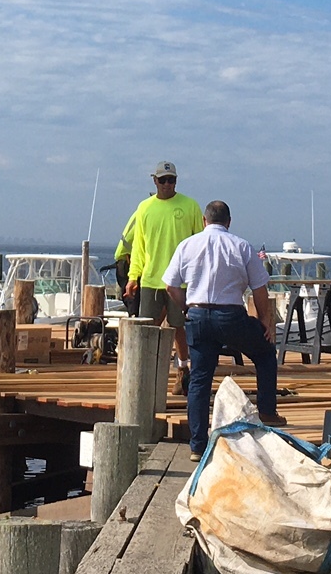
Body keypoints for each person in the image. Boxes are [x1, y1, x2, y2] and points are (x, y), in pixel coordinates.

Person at [162, 200, 281, 453]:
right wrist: (265, 322)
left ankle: (197, 445)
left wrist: (186, 307)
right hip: (231, 316)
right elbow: (260, 290)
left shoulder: (188, 245)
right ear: (229, 222)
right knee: (265, 353)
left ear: (204, 221)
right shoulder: (242, 246)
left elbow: (170, 286)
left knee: (200, 379)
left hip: (197, 315)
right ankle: (268, 411)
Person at [116, 162, 204, 367]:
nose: (167, 184)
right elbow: (138, 247)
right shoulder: (144, 208)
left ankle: (183, 368)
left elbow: (200, 245)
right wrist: (132, 278)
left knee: (178, 327)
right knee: (149, 327)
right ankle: (149, 369)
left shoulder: (190, 205)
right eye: (162, 180)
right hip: (150, 280)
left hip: (180, 282)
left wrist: (197, 279)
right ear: (154, 181)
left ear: (176, 181)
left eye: (171, 179)